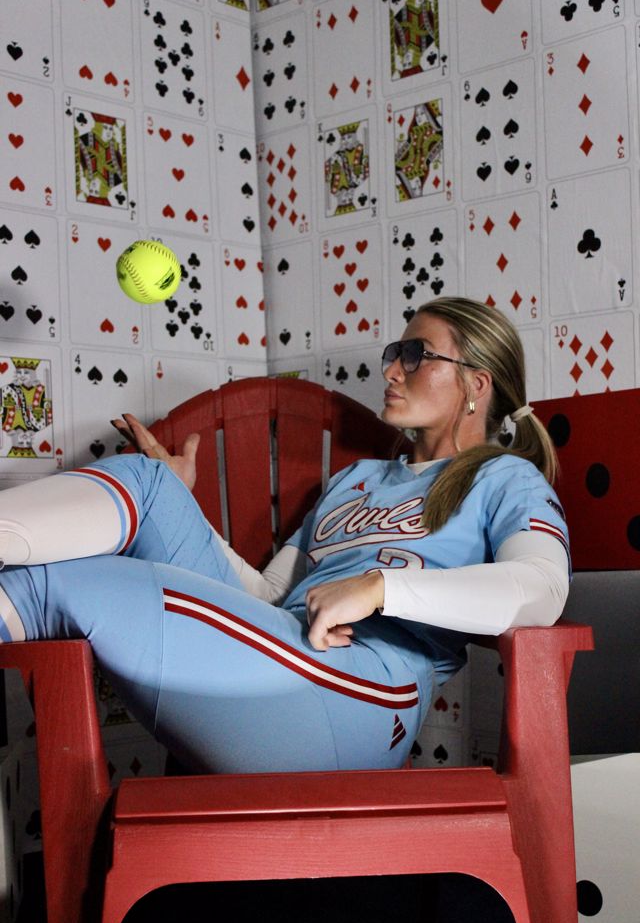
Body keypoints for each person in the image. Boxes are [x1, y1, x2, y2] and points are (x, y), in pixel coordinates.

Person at [0, 297, 570, 774]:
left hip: (364, 694)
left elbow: (543, 588)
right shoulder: (356, 479)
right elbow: (268, 598)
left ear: (475, 383)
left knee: (63, 584)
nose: (393, 370)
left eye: (415, 355)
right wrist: (178, 505)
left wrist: (380, 588)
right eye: (395, 354)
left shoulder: (505, 478)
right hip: (282, 652)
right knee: (149, 484)